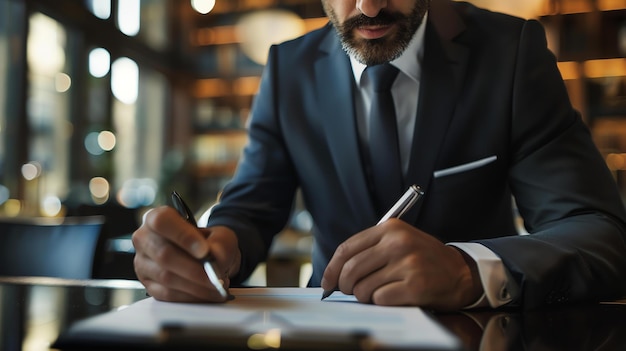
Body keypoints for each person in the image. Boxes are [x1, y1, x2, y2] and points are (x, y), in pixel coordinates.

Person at [132, 0, 626, 310]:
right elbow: (249, 210)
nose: (368, 7)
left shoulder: (510, 54)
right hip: (328, 326)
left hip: (475, 332)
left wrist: (465, 271)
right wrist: (215, 249)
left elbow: (600, 235)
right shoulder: (287, 69)